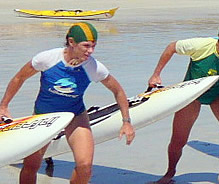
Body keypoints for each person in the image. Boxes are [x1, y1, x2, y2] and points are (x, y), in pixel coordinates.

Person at [0, 22, 135, 184]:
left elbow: (118, 91)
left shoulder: (94, 67)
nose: (90, 51)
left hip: (75, 116)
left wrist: (126, 122)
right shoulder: (47, 58)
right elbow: (19, 77)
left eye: (94, 46)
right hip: (44, 116)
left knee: (85, 166)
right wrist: (4, 106)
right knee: (31, 165)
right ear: (71, 42)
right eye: (86, 46)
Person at [149, 20, 219, 184]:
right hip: (191, 94)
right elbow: (171, 47)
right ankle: (169, 173)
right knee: (178, 140)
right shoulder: (200, 45)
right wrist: (156, 74)